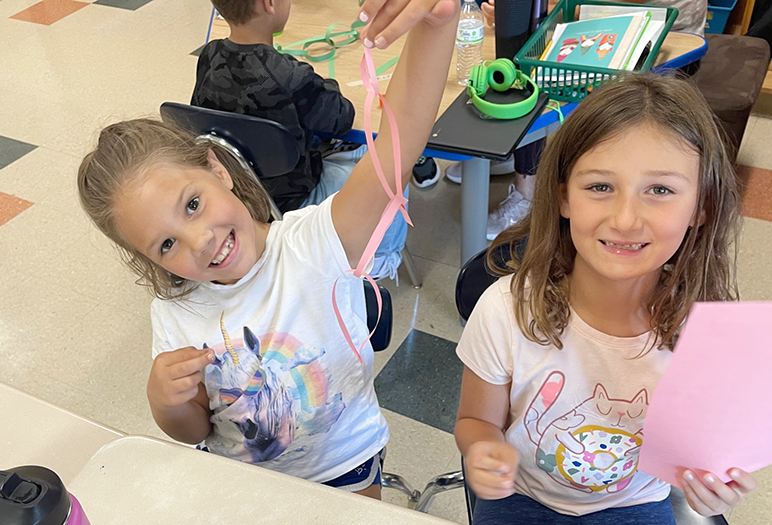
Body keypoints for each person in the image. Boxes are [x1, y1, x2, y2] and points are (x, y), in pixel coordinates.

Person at [78, 0, 459, 500]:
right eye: (167, 243)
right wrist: (166, 402)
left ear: (217, 168)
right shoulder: (173, 315)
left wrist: (439, 22)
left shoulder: (317, 241)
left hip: (346, 465)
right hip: (245, 488)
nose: (201, 241)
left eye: (192, 204)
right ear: (148, 259)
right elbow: (195, 432)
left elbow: (401, 137)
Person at [453, 73, 755, 523]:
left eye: (660, 190)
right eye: (600, 186)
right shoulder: (506, 309)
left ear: (702, 206)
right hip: (523, 498)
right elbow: (476, 422)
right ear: (563, 197)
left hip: (636, 504)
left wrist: (714, 485)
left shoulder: (708, 336)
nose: (626, 219)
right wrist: (483, 450)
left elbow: (705, 451)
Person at [192, 0, 441, 278]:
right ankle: (384, 257)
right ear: (270, 4)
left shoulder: (209, 55)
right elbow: (342, 117)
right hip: (296, 197)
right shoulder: (289, 76)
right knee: (390, 160)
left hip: (242, 192)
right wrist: (316, 82)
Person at [454, 0, 707, 241]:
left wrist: (537, 11)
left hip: (662, 38)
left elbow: (614, 6)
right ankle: (511, 156)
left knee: (539, 86)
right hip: (611, 24)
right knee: (529, 56)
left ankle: (527, 194)